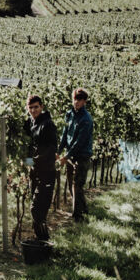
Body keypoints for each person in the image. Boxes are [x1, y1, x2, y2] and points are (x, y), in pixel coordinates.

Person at [24, 96, 57, 241]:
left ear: (42, 107)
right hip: (34, 172)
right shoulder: (30, 124)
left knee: (37, 209)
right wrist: (29, 166)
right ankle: (41, 241)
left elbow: (50, 150)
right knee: (37, 208)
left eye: (36, 107)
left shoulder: (47, 125)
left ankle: (44, 239)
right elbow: (27, 149)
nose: (33, 110)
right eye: (30, 108)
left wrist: (33, 162)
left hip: (46, 172)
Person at [58, 88, 94, 221]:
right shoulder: (69, 114)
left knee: (77, 185)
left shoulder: (86, 119)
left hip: (82, 155)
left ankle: (77, 216)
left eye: (79, 100)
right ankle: (84, 209)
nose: (76, 102)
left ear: (84, 101)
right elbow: (64, 134)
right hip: (70, 155)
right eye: (74, 99)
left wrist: (66, 156)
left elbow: (79, 142)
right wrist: (59, 151)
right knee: (71, 184)